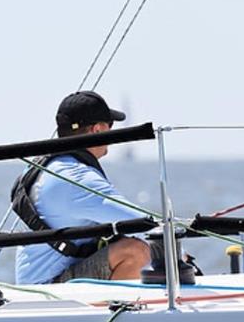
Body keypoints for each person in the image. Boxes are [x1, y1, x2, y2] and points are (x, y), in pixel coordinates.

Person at [13, 90, 150, 284]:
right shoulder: (77, 178)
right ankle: (117, 312)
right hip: (50, 288)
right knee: (134, 251)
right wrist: (184, 257)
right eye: (110, 125)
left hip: (35, 281)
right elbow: (142, 223)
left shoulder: (49, 168)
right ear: (97, 131)